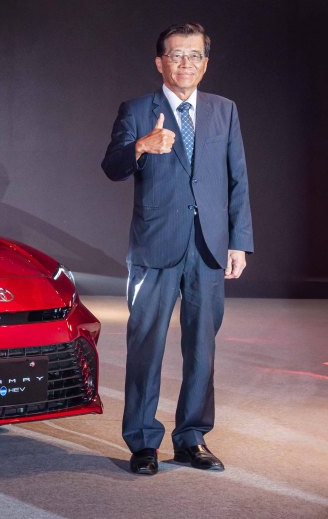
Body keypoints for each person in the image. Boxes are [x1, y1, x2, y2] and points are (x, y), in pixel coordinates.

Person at [102, 23, 253, 475]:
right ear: (159, 62)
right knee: (145, 346)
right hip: (155, 246)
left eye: (194, 55)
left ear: (205, 64)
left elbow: (238, 180)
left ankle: (192, 438)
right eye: (176, 55)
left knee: (202, 348)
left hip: (209, 246)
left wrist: (239, 242)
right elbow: (111, 167)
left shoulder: (224, 110)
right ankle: (143, 443)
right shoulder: (136, 110)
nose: (185, 63)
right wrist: (141, 146)